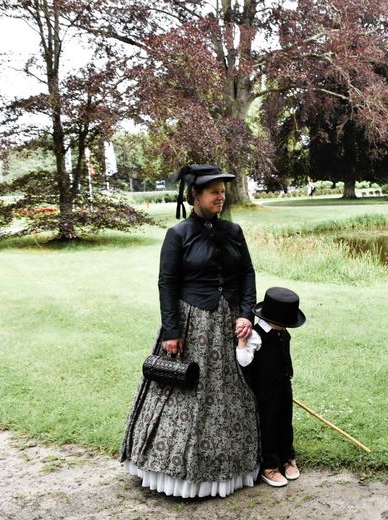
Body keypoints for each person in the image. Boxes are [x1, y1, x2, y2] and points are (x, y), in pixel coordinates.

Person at [119, 164, 260, 498]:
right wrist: (171, 330)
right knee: (185, 390)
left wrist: (246, 314)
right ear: (195, 195)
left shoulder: (234, 231)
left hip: (227, 324)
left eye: (223, 191)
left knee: (230, 391)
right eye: (214, 192)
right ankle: (177, 473)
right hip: (191, 324)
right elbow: (167, 283)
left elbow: (247, 274)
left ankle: (230, 468)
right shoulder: (179, 234)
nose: (221, 197)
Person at [236, 287, 306, 487]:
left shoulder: (282, 333)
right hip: (265, 388)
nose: (287, 327)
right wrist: (241, 340)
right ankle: (270, 466)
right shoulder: (255, 335)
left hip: (284, 383)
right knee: (269, 424)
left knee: (286, 421)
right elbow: (243, 361)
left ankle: (287, 458)